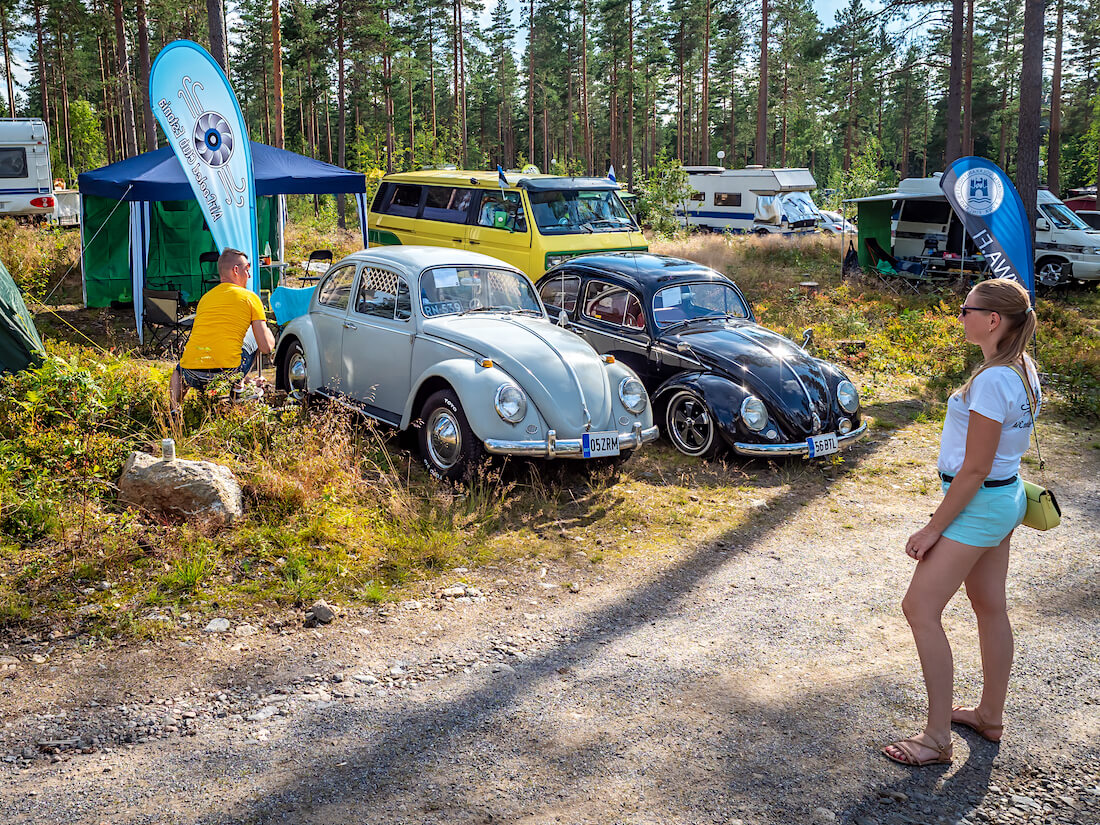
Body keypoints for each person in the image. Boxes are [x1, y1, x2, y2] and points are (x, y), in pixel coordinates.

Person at [882, 278, 1040, 767]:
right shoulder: (1022, 367)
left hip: (980, 502)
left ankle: (935, 740)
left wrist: (932, 528)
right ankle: (989, 715)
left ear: (993, 320)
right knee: (989, 605)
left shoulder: (994, 379)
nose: (960, 315)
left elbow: (973, 468)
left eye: (965, 309)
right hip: (1006, 496)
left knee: (919, 609)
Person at [169, 248, 275, 410]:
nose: (249, 275)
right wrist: (267, 330)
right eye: (247, 269)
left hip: (191, 375)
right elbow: (266, 347)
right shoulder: (250, 298)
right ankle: (237, 392)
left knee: (178, 370)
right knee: (255, 336)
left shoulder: (205, 299)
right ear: (236, 270)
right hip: (226, 374)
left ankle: (174, 409)